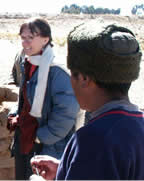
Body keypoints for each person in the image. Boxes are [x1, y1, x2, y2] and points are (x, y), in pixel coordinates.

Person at [30, 22, 144, 180]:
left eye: (72, 74)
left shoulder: (94, 140)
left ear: (84, 79)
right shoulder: (137, 126)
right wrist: (66, 168)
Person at [7, 17, 80, 180]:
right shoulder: (29, 64)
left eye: (30, 38)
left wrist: (39, 136)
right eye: (23, 38)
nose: (25, 43)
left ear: (45, 39)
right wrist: (15, 114)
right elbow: (25, 98)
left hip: (47, 149)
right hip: (26, 142)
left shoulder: (57, 72)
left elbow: (66, 114)